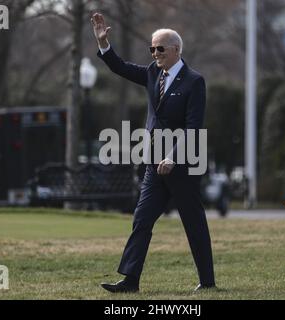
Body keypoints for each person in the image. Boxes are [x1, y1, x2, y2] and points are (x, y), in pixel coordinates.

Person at [91, 12, 215, 293]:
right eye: (152, 48)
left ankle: (207, 281)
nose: (155, 53)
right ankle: (130, 280)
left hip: (183, 166)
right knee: (141, 220)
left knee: (193, 224)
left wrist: (173, 155)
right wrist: (103, 44)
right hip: (153, 166)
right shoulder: (151, 73)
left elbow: (194, 127)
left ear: (176, 50)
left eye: (160, 48)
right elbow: (120, 67)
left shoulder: (194, 81)